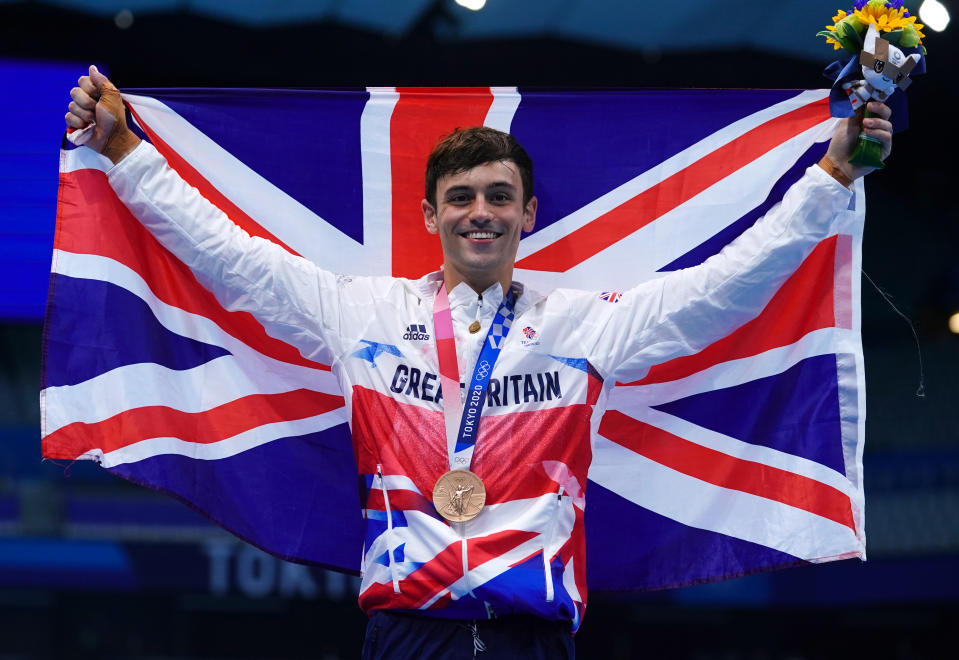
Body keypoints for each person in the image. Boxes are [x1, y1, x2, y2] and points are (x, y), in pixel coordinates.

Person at [65, 65, 892, 659]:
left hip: (534, 640)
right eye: (460, 197)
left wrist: (831, 175)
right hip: (403, 636)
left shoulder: (582, 326)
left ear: (528, 212)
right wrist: (127, 153)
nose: (480, 213)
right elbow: (231, 259)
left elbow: (726, 288)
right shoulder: (363, 314)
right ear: (429, 213)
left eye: (498, 196)